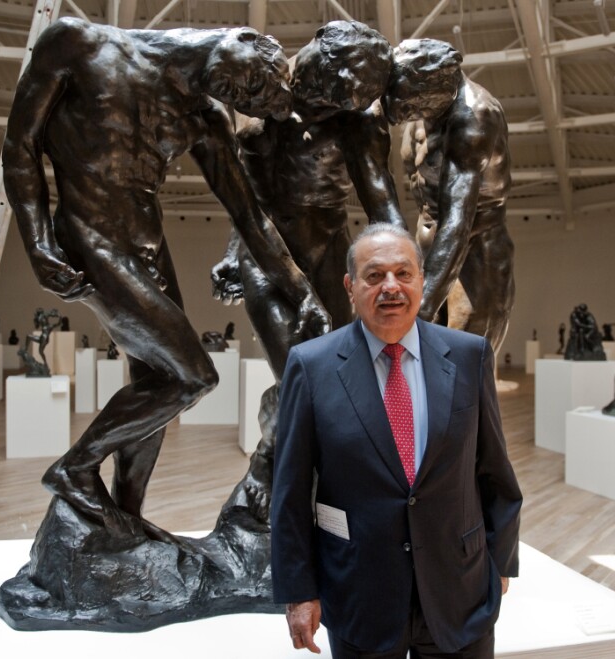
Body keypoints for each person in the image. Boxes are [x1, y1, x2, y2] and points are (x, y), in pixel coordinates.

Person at [3, 17, 330, 536]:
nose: (240, 94)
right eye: (250, 81)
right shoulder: (78, 43)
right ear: (241, 37)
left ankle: (125, 516)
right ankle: (75, 468)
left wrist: (303, 291)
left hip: (147, 245)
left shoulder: (205, 120)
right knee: (191, 375)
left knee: (154, 383)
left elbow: (251, 218)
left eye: (250, 96)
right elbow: (21, 144)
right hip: (91, 235)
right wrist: (37, 240)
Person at [271, 224, 522, 657]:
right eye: (374, 276)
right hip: (360, 596)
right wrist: (299, 591)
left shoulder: (469, 355)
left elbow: (495, 472)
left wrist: (499, 565)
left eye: (403, 274)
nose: (391, 287)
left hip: (459, 592)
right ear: (351, 286)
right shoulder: (311, 367)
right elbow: (290, 492)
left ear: (422, 281)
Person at [210, 21, 404, 520]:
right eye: (331, 87)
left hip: (327, 257)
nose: (335, 99)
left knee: (331, 381)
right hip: (267, 258)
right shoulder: (262, 102)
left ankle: (288, 472)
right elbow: (247, 201)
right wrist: (233, 253)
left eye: (347, 95)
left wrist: (404, 271)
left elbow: (381, 200)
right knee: (297, 373)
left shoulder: (356, 123)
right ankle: (266, 465)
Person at [383, 39, 514, 355]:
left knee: (462, 367)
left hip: (475, 250)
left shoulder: (475, 118)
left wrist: (420, 306)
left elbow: (458, 224)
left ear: (433, 86)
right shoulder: (416, 103)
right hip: (426, 246)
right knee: (419, 368)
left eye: (407, 103)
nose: (401, 111)